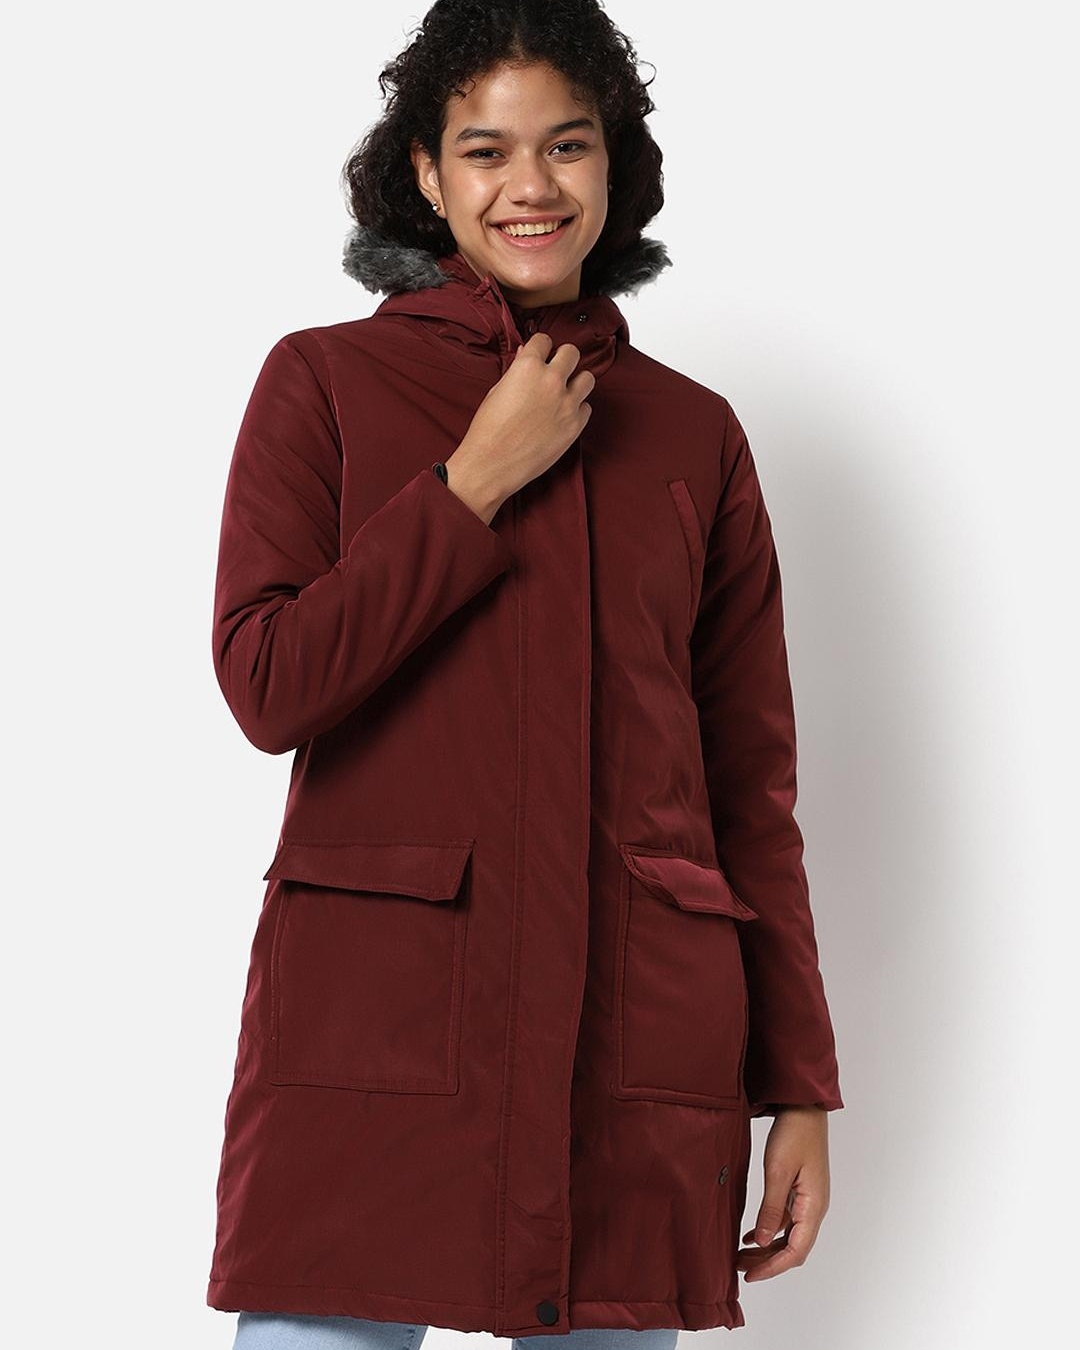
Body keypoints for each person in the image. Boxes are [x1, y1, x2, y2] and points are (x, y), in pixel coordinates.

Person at [207, 3, 845, 1348]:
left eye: (566, 144)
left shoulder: (693, 434)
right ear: (427, 174)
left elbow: (750, 787)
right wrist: (470, 485)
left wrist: (797, 1083)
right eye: (485, 150)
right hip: (381, 1027)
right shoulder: (324, 383)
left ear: (613, 164)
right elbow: (268, 683)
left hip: (634, 1044)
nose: (530, 186)